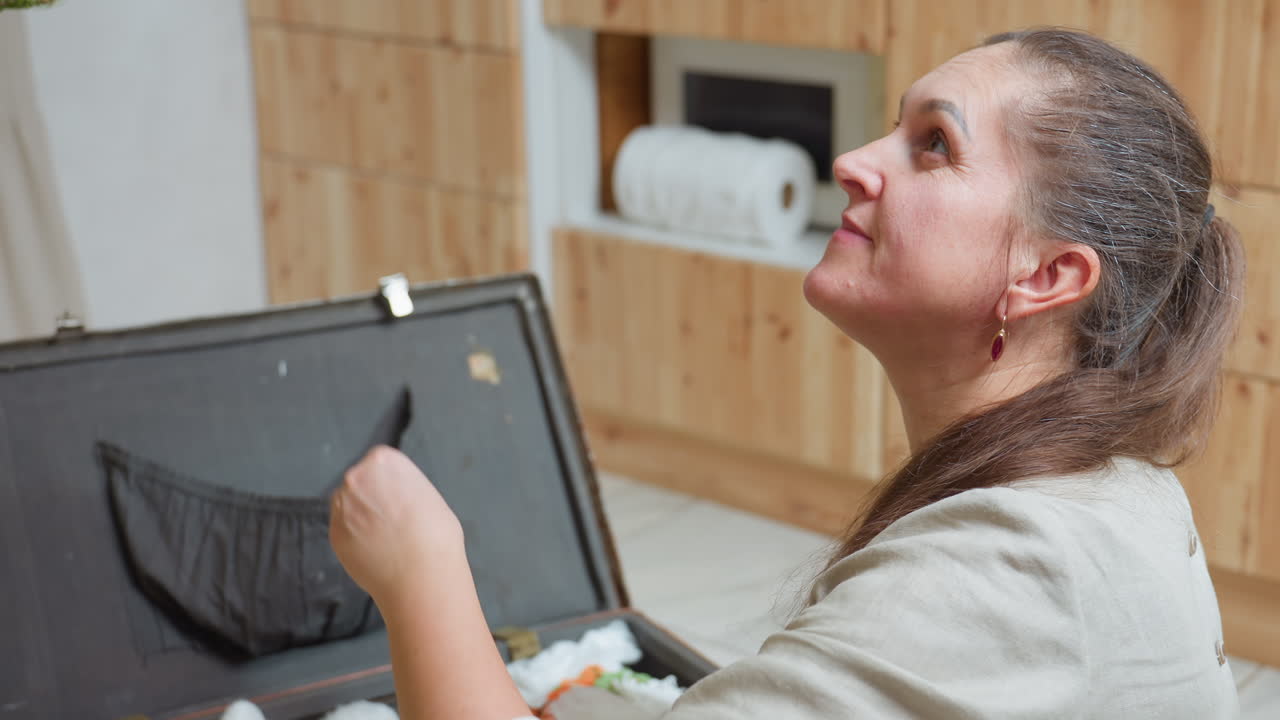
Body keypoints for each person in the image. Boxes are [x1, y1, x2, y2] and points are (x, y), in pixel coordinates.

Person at [328, 28, 1244, 719]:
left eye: (935, 144)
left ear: (1045, 278)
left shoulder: (1017, 571)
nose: (850, 163)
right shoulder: (1118, 490)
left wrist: (418, 571)